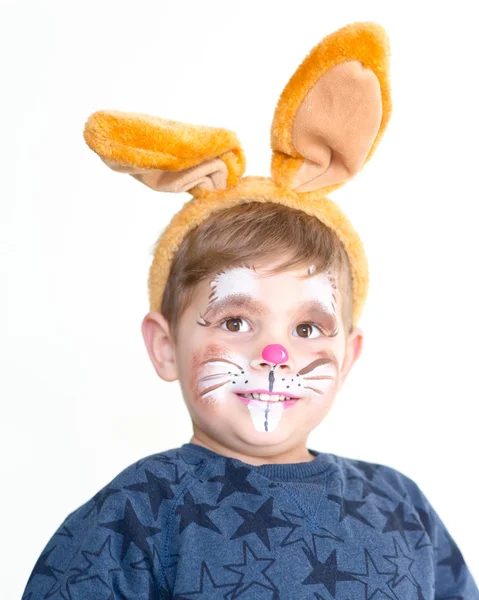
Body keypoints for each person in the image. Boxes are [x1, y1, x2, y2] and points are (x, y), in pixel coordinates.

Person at [22, 21, 478, 599]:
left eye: (308, 327)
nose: (274, 355)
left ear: (349, 354)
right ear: (166, 346)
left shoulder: (398, 506)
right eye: (236, 321)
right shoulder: (134, 517)